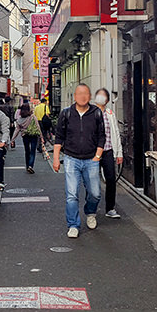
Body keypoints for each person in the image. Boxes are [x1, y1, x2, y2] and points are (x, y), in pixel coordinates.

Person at [53, 84, 106, 239]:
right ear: (74, 96)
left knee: (95, 193)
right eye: (79, 93)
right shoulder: (66, 114)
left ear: (89, 97)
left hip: (91, 159)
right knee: (71, 195)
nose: (83, 96)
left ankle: (90, 213)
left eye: (86, 94)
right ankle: (73, 225)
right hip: (71, 158)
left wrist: (97, 155)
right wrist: (57, 158)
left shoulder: (96, 113)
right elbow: (59, 137)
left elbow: (102, 136)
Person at [94, 88, 123, 219]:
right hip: (93, 152)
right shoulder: (90, 112)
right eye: (98, 95)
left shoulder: (110, 113)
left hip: (108, 150)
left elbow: (116, 132)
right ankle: (91, 209)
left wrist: (119, 153)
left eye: (102, 95)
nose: (100, 97)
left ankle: (110, 208)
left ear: (106, 100)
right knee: (92, 181)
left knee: (111, 179)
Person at [11, 103, 42, 173]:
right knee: (33, 151)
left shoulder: (19, 119)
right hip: (34, 135)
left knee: (27, 151)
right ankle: (30, 166)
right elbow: (38, 127)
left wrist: (12, 139)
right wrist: (41, 137)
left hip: (25, 136)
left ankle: (27, 166)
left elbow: (17, 130)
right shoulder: (32, 117)